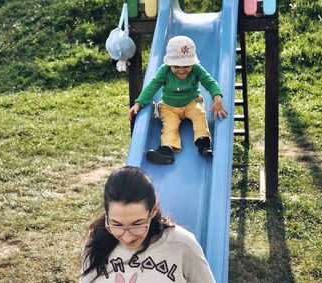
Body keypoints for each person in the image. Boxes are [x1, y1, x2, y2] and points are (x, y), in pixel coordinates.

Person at [80, 166, 216, 283]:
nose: (127, 237)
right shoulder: (96, 241)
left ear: (153, 210)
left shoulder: (182, 245)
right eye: (117, 224)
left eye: (137, 224)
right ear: (107, 213)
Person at [128, 35, 228, 164]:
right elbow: (152, 86)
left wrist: (217, 98)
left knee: (199, 114)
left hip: (191, 102)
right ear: (169, 63)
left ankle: (203, 142)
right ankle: (167, 150)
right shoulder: (164, 71)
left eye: (186, 66)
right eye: (176, 66)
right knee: (169, 126)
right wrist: (139, 103)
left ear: (192, 62)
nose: (181, 70)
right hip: (169, 107)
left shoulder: (196, 69)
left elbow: (209, 82)